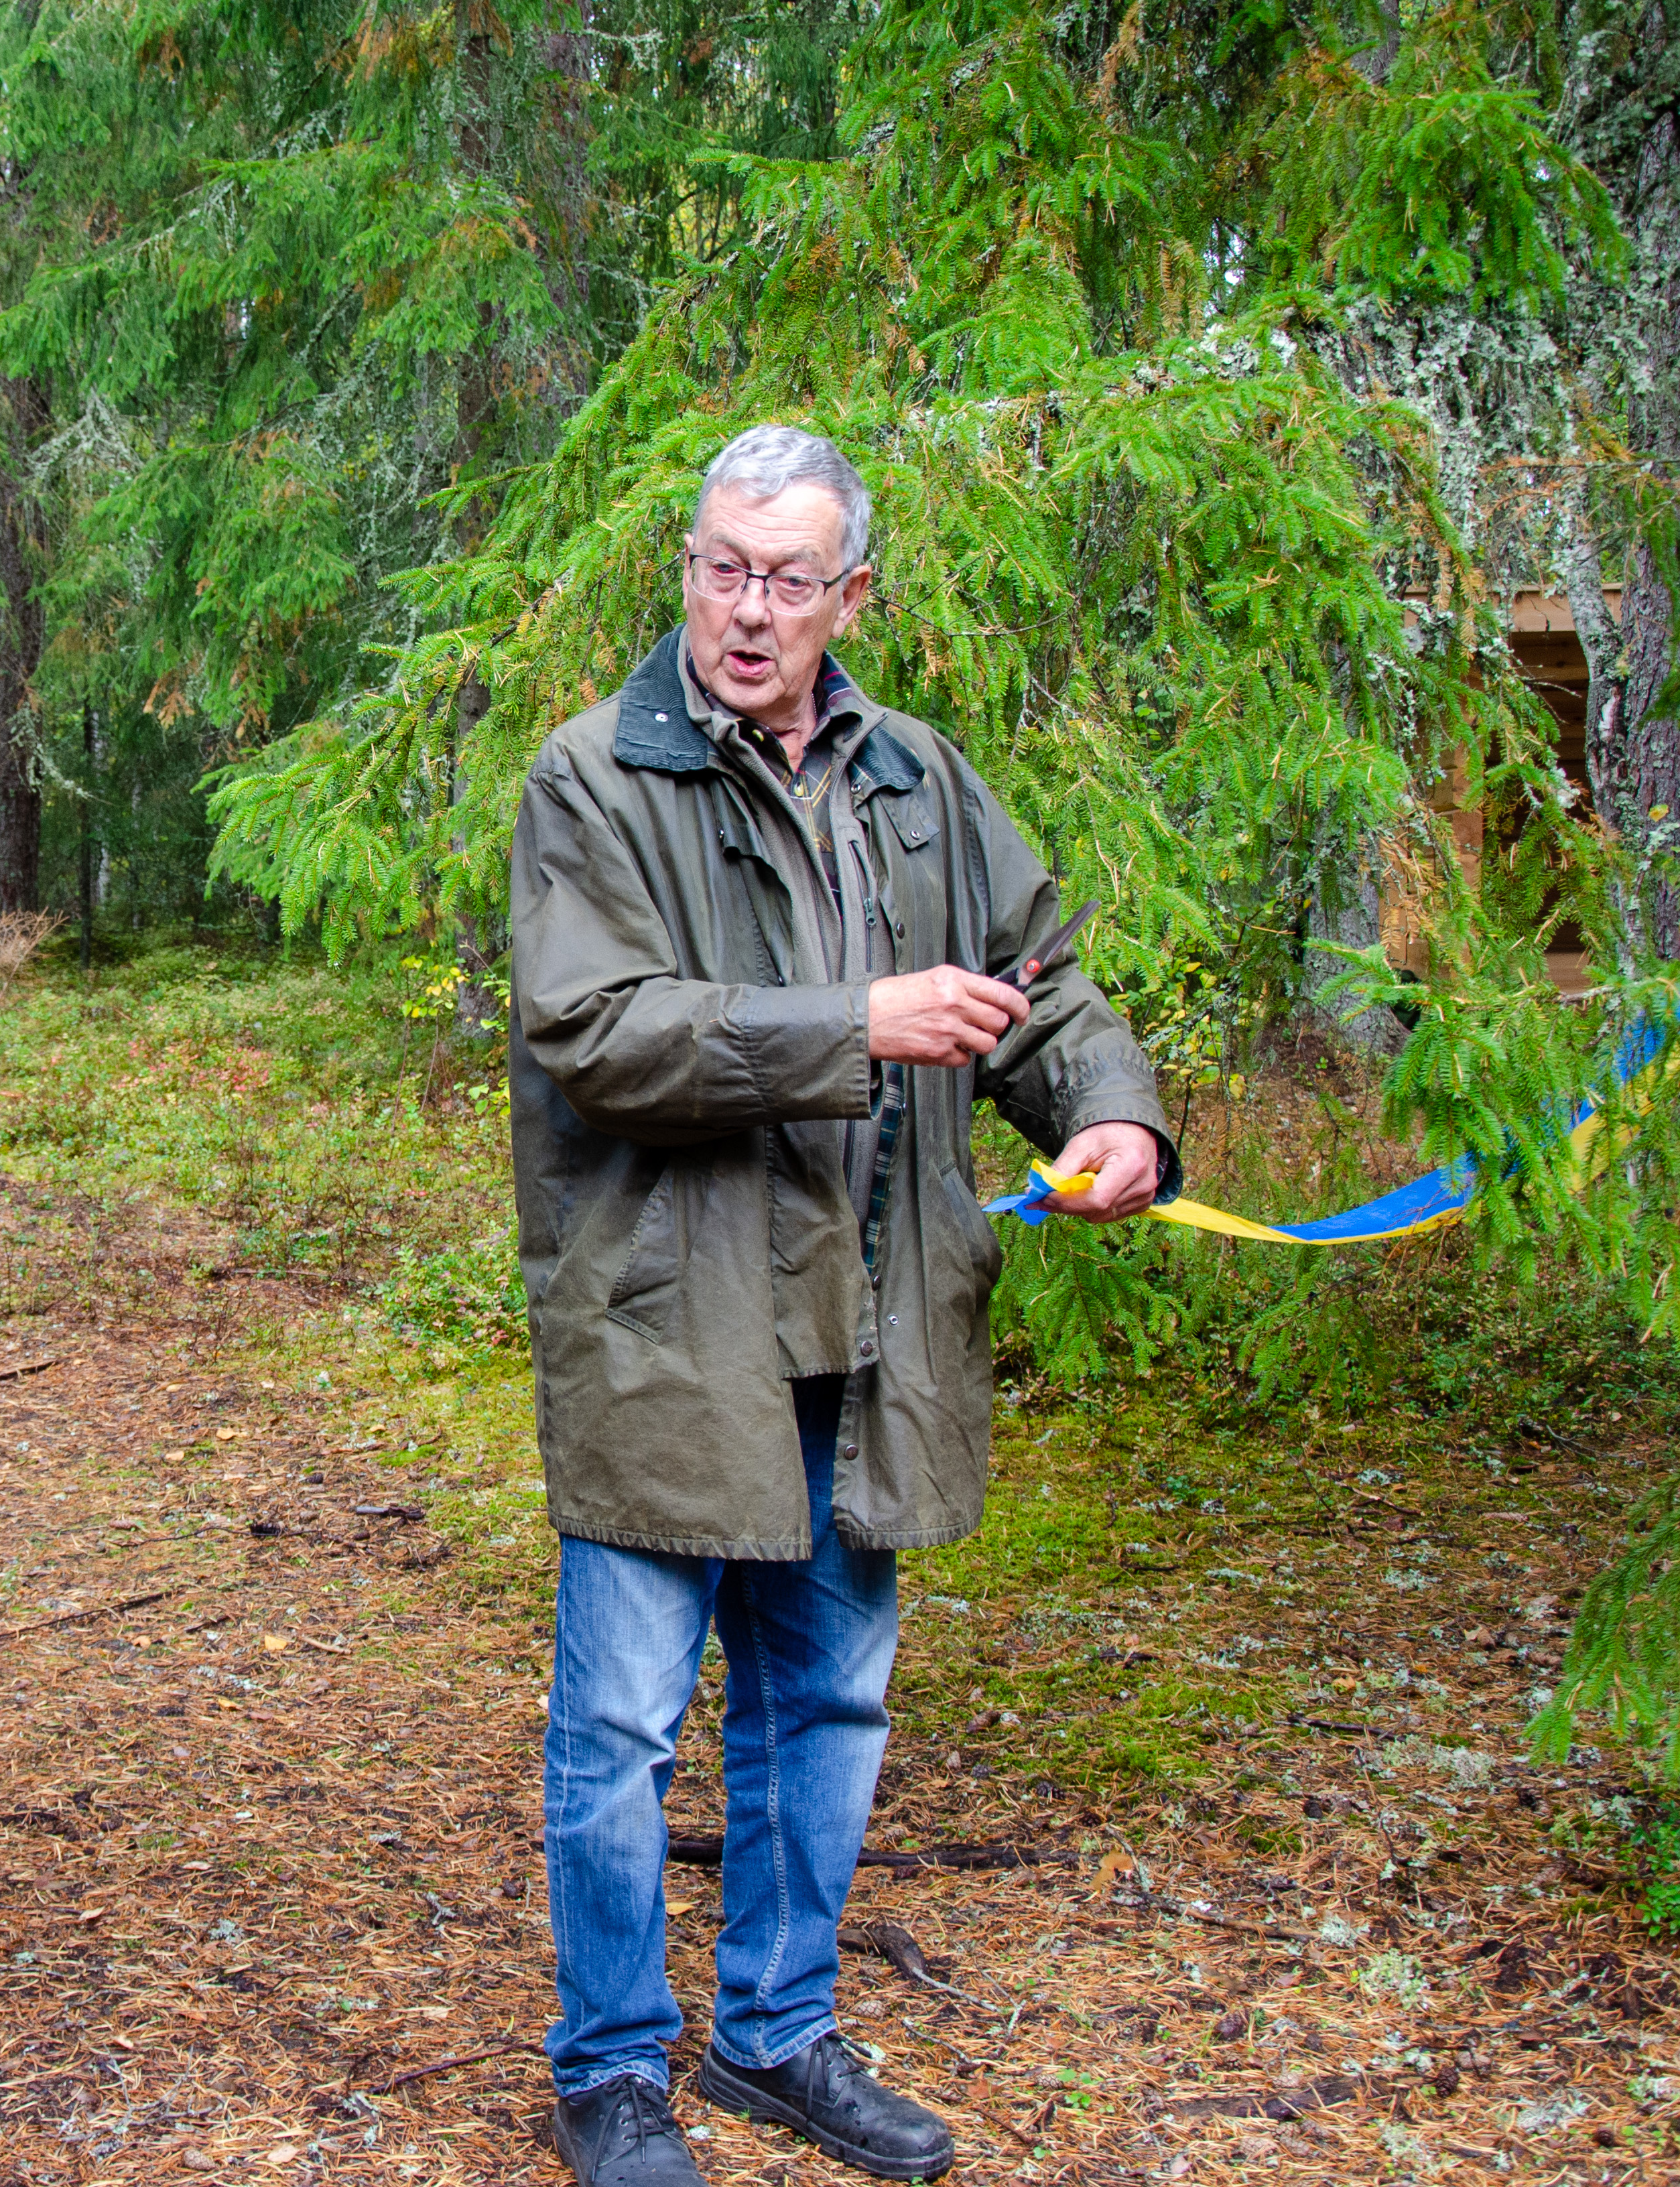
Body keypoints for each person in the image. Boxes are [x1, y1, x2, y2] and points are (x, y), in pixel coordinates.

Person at [508, 424, 1179, 2185]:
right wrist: (853, 1028)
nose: (748, 608)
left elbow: (1036, 983)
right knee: (624, 1734)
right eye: (723, 567)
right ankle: (614, 2074)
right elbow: (598, 1037)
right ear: (689, 570)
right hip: (670, 1324)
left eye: (788, 579)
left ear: (849, 596)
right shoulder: (593, 781)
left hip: (872, 1328)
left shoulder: (922, 781)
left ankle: (779, 2041)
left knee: (828, 1714)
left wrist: (1112, 1114)